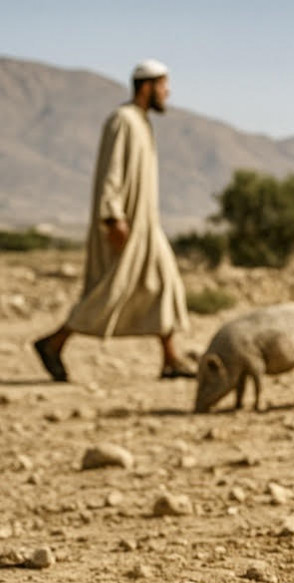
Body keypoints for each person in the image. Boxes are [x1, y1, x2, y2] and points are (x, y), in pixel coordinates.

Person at [34, 59, 193, 381]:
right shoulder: (123, 120)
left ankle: (170, 359)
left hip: (147, 224)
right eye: (163, 86)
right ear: (147, 87)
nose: (168, 92)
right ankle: (53, 342)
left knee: (165, 283)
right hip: (125, 223)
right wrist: (113, 217)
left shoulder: (142, 122)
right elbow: (112, 171)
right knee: (110, 290)